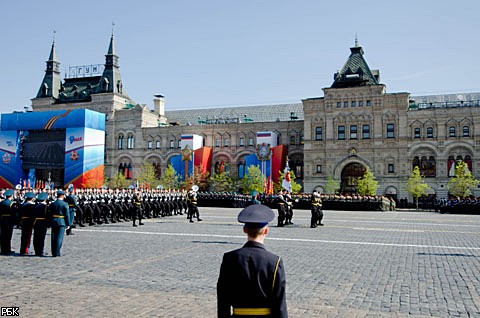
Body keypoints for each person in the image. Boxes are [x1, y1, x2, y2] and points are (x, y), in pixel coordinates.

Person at [217, 204, 287, 318]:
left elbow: (223, 299)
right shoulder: (274, 261)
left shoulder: (229, 258)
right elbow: (280, 302)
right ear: (266, 231)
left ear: (244, 230)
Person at [48, 190, 71, 257]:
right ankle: (57, 252)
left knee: (53, 237)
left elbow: (50, 213)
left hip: (54, 220)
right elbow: (67, 215)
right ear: (63, 196)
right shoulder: (65, 204)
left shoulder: (53, 203)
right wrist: (68, 223)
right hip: (61, 221)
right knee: (59, 238)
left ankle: (53, 252)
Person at [0, 189, 16, 255]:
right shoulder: (11, 204)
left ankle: (3, 249)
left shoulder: (2, 203)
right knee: (8, 235)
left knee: (3, 235)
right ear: (11, 196)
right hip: (9, 220)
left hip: (2, 219)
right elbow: (14, 213)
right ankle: (7, 249)